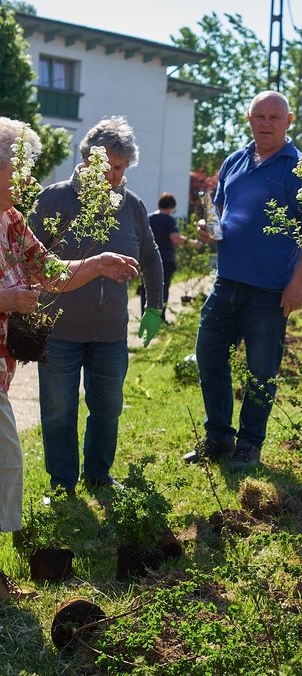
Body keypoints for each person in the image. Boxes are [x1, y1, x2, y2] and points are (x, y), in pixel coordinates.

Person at [0, 117, 138, 556]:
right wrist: (7, 299)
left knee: (7, 463)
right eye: (20, 169)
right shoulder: (35, 207)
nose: (28, 180)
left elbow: (51, 273)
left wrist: (97, 264)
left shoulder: (11, 221)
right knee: (8, 459)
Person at [29, 116, 164, 495]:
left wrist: (155, 307)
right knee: (59, 410)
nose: (113, 176)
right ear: (87, 159)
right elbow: (26, 259)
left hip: (110, 333)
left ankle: (99, 475)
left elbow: (151, 257)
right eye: (106, 166)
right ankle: (62, 484)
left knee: (107, 408)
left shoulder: (132, 206)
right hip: (58, 329)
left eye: (120, 168)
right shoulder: (53, 200)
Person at [193, 90, 302, 472]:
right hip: (226, 283)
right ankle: (219, 436)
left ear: (289, 121)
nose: (266, 123)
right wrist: (208, 228)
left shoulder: (300, 169)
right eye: (259, 116)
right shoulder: (234, 161)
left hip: (270, 292)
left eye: (274, 117)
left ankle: (249, 445)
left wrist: (298, 284)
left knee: (261, 373)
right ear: (249, 119)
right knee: (209, 357)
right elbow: (220, 211)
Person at [142, 192, 200, 322]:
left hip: (147, 258)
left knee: (146, 287)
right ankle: (159, 318)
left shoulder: (148, 218)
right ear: (171, 207)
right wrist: (193, 243)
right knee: (163, 289)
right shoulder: (169, 220)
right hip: (165, 259)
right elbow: (176, 239)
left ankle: (144, 316)